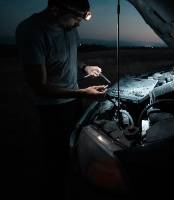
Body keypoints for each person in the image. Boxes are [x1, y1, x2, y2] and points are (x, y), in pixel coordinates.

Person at [15, 0, 106, 198]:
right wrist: (84, 92)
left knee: (79, 149)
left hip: (74, 101)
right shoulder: (31, 32)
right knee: (56, 158)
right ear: (56, 10)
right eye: (76, 18)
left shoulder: (70, 28)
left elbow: (69, 54)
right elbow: (39, 87)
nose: (78, 24)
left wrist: (84, 67)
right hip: (52, 108)